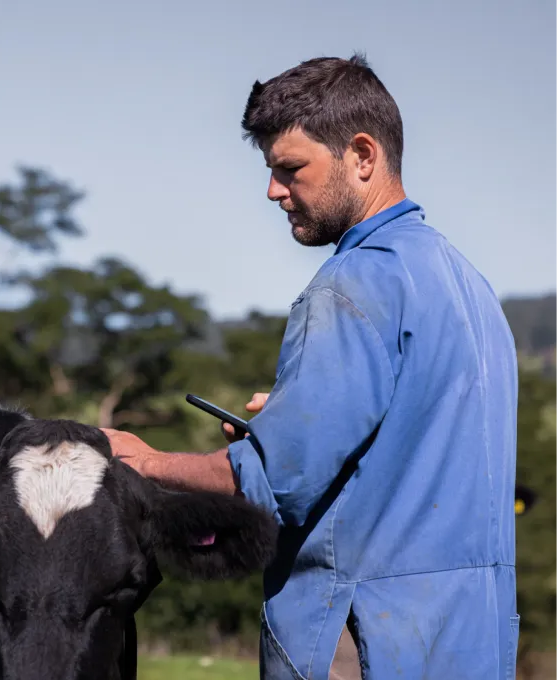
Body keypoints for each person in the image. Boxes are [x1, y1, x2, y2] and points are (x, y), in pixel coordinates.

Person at [102, 53, 519, 680]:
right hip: (470, 642)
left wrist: (144, 460)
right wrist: (294, 421)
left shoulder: (352, 285)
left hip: (366, 641)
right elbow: (409, 452)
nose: (273, 190)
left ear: (361, 155)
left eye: (290, 169)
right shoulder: (468, 283)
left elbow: (273, 482)